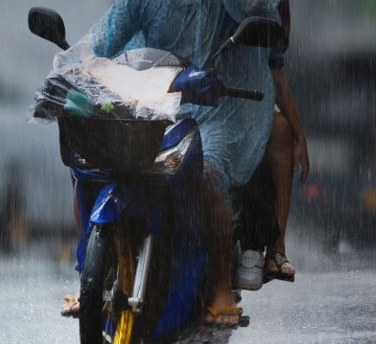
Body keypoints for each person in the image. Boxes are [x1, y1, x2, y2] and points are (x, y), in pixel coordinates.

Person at [59, 0, 281, 327]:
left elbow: (258, 9)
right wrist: (77, 63)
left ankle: (220, 287)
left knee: (208, 174)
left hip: (220, 111)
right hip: (154, 105)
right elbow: (103, 37)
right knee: (89, 168)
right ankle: (89, 279)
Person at [265, 0, 308, 281]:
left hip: (241, 101)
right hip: (183, 92)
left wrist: (300, 136)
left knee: (281, 128)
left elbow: (275, 77)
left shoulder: (270, 7)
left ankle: (276, 246)